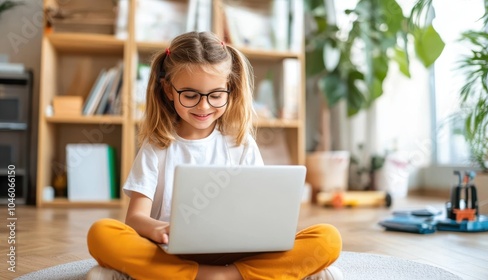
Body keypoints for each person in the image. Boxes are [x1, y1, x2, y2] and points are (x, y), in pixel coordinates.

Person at [86, 31, 343, 280]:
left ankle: (209, 276)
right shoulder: (157, 146)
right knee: (102, 233)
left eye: (216, 95)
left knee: (328, 238)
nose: (204, 106)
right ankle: (239, 276)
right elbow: (135, 218)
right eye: (190, 95)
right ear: (167, 91)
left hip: (237, 254)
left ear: (229, 90)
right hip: (171, 253)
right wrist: (158, 228)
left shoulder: (241, 144)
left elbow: (260, 212)